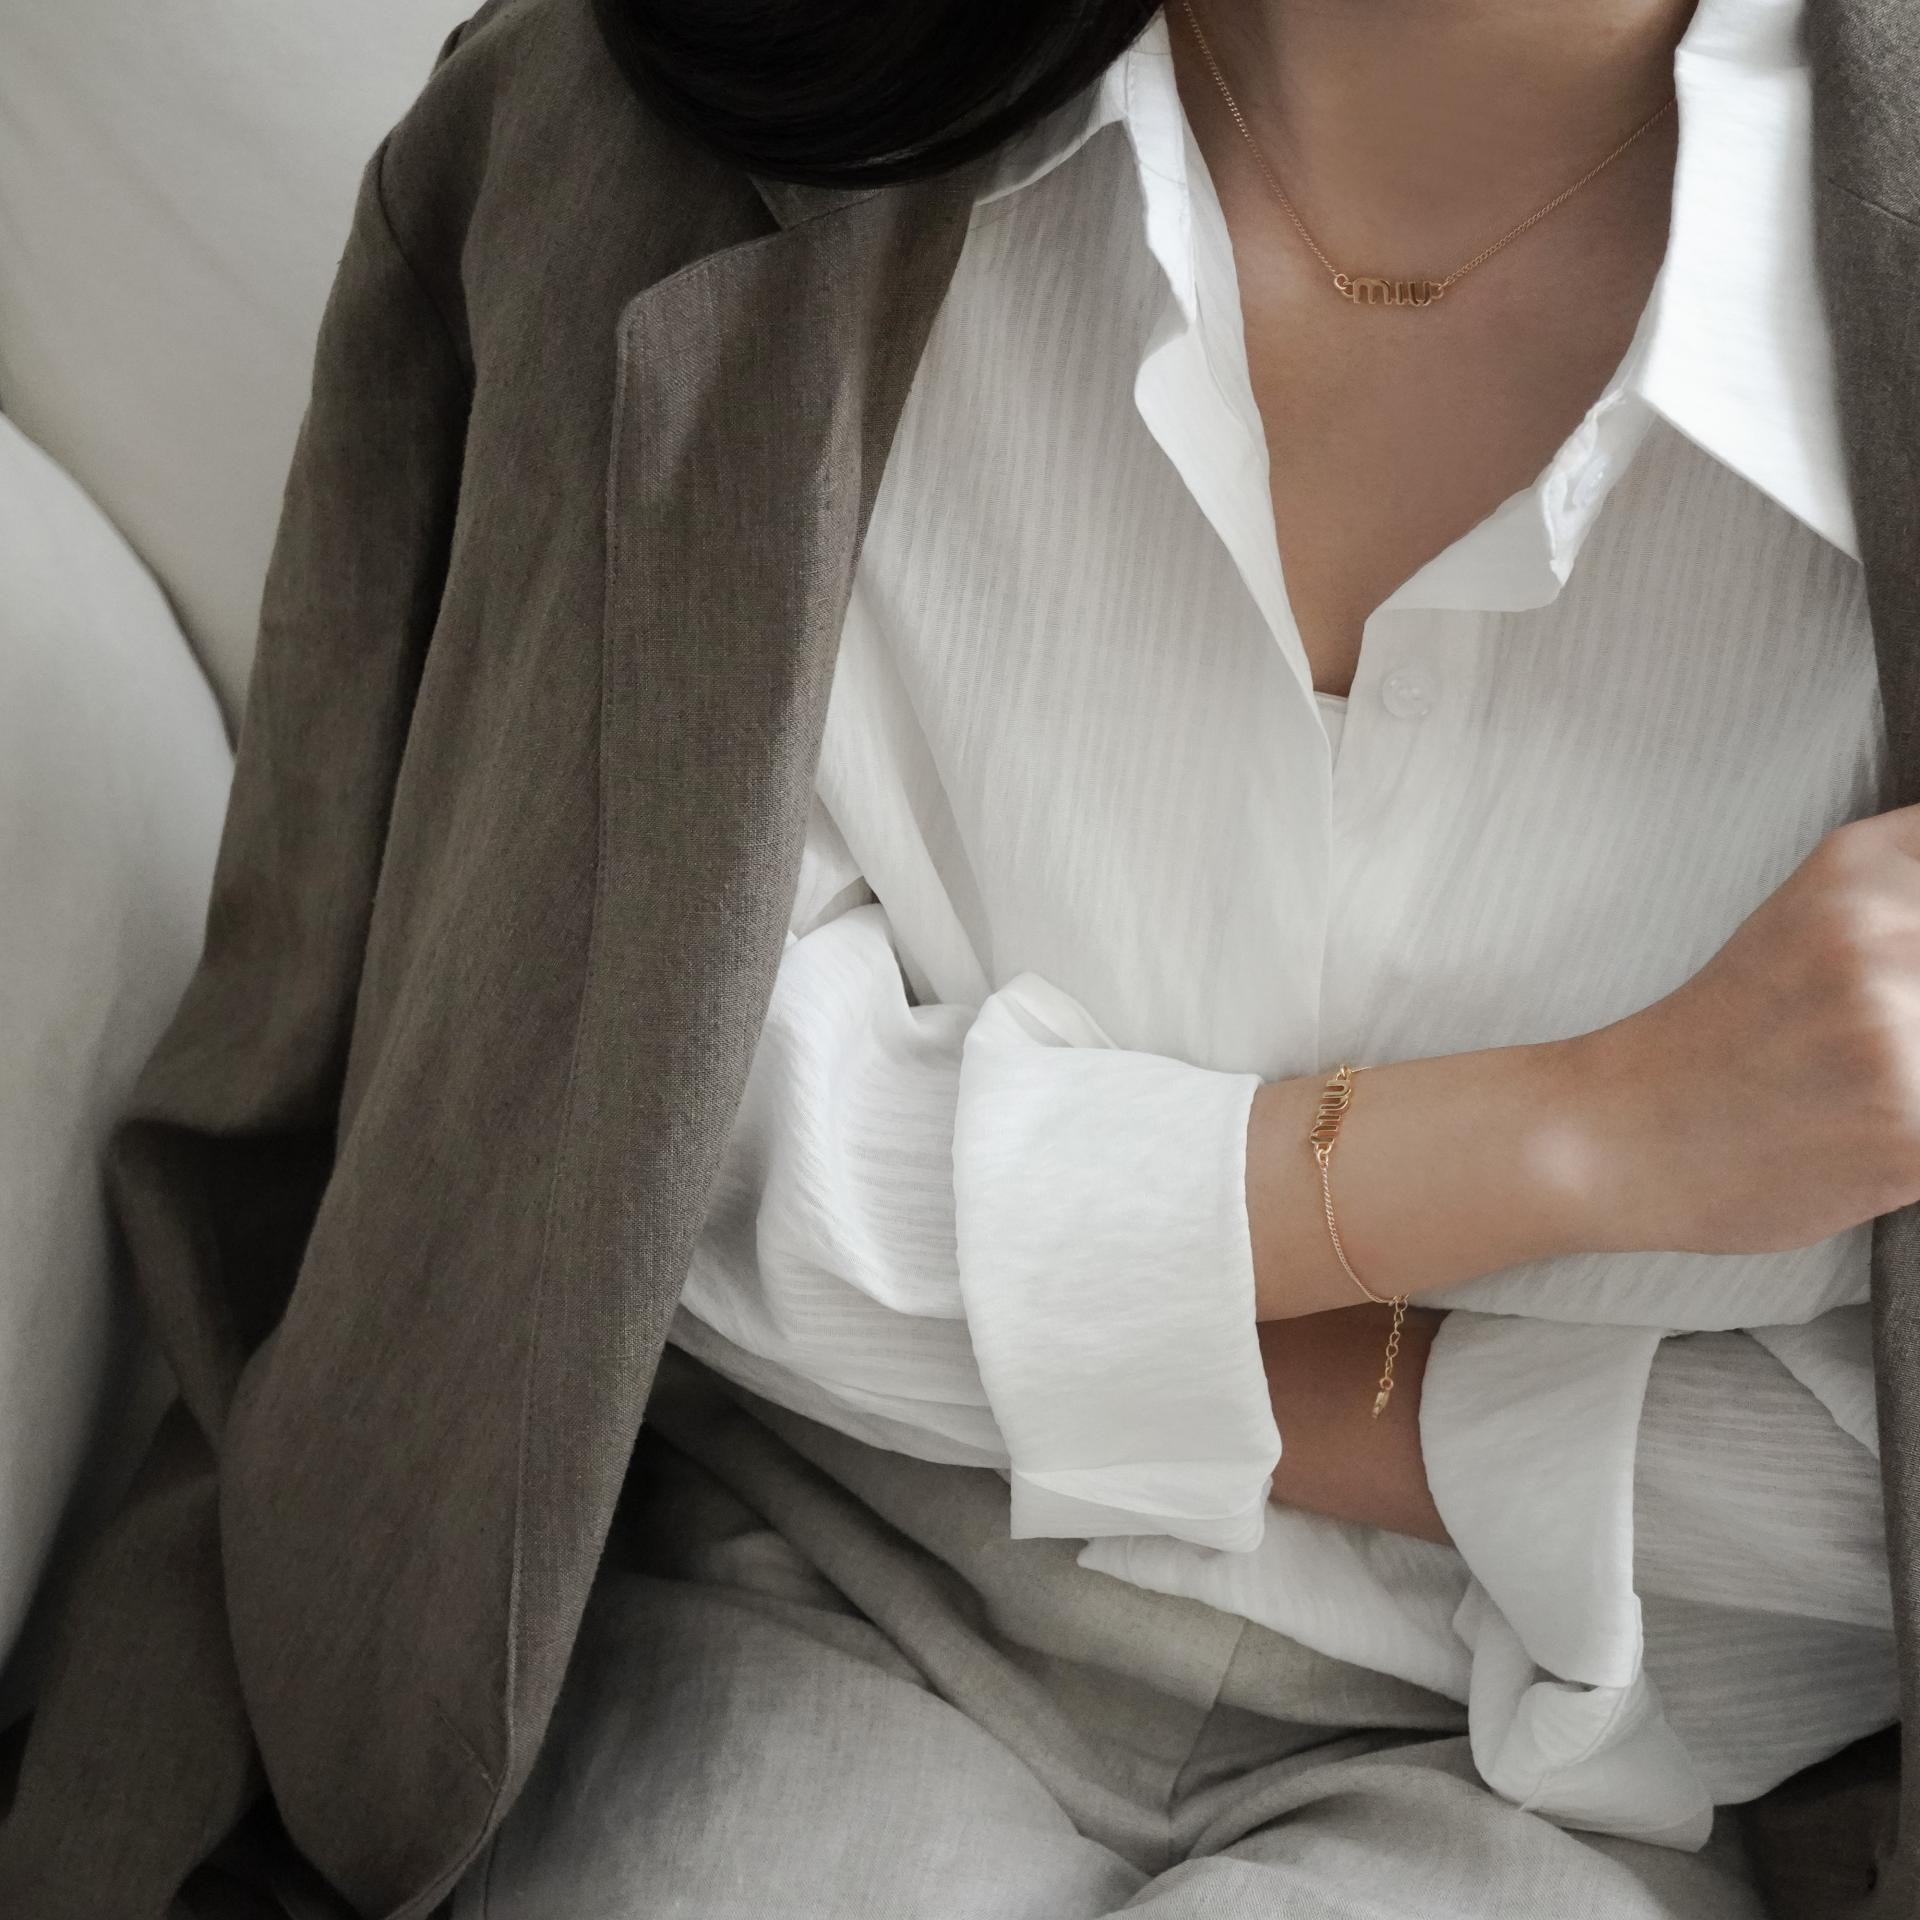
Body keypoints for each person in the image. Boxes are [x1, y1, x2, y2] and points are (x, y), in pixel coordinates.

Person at [2, 0, 1916, 1914]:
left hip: (1598, 1770)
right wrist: (1592, 1137)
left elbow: (1862, 1509)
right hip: (788, 1565)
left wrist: (1084, 1283)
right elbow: (633, 1157)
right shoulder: (655, 152)